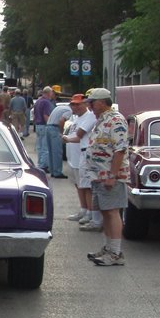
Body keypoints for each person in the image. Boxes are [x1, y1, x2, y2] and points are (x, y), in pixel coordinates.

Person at [82, 88, 129, 266]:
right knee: (105, 212)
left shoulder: (116, 120)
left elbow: (120, 149)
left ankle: (116, 253)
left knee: (112, 211)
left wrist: (112, 175)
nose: (90, 106)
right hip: (98, 175)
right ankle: (109, 248)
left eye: (92, 103)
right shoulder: (102, 121)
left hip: (110, 176)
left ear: (102, 102)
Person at [62, 93, 99, 226]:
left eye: (78, 104)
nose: (74, 107)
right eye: (73, 104)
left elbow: (79, 135)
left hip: (83, 154)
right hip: (74, 156)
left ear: (85, 104)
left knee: (86, 186)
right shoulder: (76, 118)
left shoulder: (89, 117)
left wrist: (66, 138)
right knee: (79, 184)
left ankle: (90, 212)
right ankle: (83, 209)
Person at [44, 94, 71, 178]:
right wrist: (61, 132)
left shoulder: (59, 107)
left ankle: (52, 171)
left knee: (51, 151)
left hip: (48, 127)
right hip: (55, 128)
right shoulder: (69, 111)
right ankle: (57, 172)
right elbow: (62, 120)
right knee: (57, 152)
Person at [32, 87, 55, 172]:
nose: (52, 95)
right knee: (45, 148)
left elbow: (34, 113)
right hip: (44, 125)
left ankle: (39, 163)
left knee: (39, 146)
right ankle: (44, 166)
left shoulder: (38, 101)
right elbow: (46, 115)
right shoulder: (46, 102)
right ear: (48, 93)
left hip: (38, 125)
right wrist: (49, 124)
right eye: (51, 93)